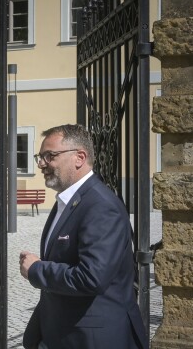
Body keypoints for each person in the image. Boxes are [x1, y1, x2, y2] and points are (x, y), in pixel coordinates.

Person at [19, 124, 148, 349]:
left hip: (92, 339)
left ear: (79, 157)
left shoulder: (100, 206)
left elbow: (91, 278)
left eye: (50, 156)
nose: (41, 164)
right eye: (40, 157)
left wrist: (36, 270)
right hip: (62, 332)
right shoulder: (69, 200)